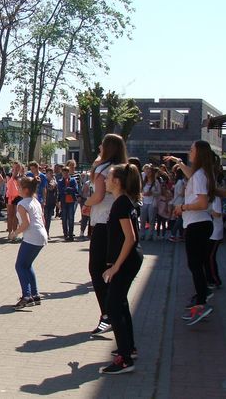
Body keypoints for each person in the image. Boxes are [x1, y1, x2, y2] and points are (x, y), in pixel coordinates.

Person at [165, 140, 217, 326]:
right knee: (197, 264)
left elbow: (202, 203)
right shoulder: (200, 174)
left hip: (198, 224)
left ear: (199, 153)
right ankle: (203, 294)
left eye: (191, 150)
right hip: (199, 224)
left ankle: (201, 303)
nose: (189, 152)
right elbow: (191, 175)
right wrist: (179, 163)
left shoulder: (200, 175)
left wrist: (183, 207)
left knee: (195, 265)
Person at [99, 163, 143, 375]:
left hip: (127, 261)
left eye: (108, 177)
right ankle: (129, 348)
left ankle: (124, 359)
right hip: (127, 260)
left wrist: (115, 266)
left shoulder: (121, 203)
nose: (105, 180)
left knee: (113, 306)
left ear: (117, 181)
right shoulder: (123, 201)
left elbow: (130, 238)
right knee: (120, 303)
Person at [86, 134, 128, 337]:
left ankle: (108, 314)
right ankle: (113, 313)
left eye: (102, 145)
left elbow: (99, 195)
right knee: (109, 269)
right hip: (116, 222)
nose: (99, 147)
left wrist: (86, 203)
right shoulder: (122, 168)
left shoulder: (104, 169)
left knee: (97, 269)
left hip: (104, 222)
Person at [10, 176, 48, 310]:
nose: (18, 189)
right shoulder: (35, 201)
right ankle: (35, 295)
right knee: (27, 265)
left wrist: (15, 233)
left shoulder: (22, 204)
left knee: (20, 266)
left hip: (32, 237)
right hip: (41, 235)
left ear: (26, 189)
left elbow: (26, 223)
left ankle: (26, 296)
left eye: (19, 187)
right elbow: (42, 219)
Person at [59, 161, 79, 242]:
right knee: (64, 218)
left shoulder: (73, 180)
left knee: (71, 218)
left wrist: (67, 189)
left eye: (66, 173)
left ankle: (71, 234)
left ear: (68, 173)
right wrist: (69, 190)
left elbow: (75, 189)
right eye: (63, 173)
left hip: (71, 201)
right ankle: (65, 234)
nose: (65, 174)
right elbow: (61, 191)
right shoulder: (60, 181)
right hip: (64, 201)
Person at [140, 166, 160, 241]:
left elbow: (159, 192)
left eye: (149, 172)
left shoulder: (156, 182)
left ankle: (150, 234)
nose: (148, 173)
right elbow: (140, 191)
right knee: (142, 219)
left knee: (152, 219)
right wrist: (143, 194)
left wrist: (152, 193)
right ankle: (142, 234)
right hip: (144, 202)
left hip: (152, 202)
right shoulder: (143, 181)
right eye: (147, 172)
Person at [6, 162, 23, 240]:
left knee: (16, 215)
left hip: (18, 196)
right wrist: (13, 176)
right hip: (9, 196)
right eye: (15, 167)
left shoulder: (21, 177)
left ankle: (14, 233)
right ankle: (9, 233)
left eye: (18, 167)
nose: (16, 169)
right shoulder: (9, 175)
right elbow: (8, 185)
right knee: (10, 215)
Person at [43, 168, 58, 235]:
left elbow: (56, 192)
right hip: (45, 202)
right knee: (44, 218)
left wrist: (57, 201)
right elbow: (49, 188)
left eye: (52, 173)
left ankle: (47, 232)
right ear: (46, 174)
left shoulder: (54, 181)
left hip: (51, 202)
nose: (51, 174)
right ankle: (44, 233)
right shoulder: (44, 181)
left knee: (49, 219)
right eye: (50, 173)